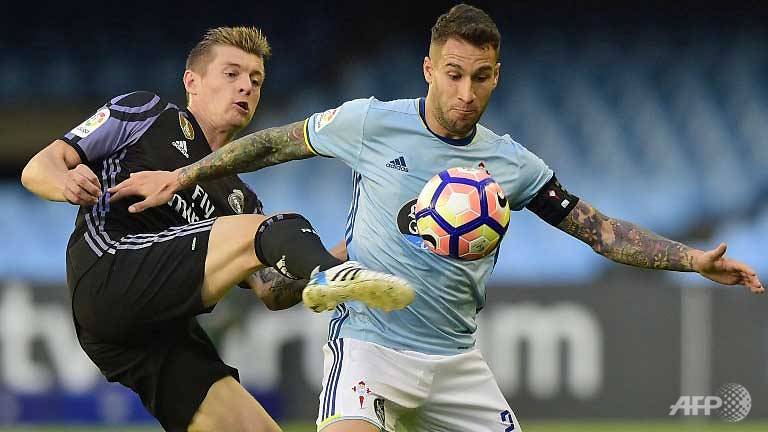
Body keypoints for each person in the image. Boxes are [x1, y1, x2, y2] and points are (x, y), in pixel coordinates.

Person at [107, 5, 765, 432]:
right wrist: (184, 176)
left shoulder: (514, 165)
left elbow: (599, 230)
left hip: (456, 361)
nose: (464, 92)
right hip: (369, 345)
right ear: (428, 69)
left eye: (480, 77)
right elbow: (274, 144)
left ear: (496, 77)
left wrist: (693, 260)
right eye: (452, 74)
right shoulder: (369, 122)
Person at [20, 26, 413, 432]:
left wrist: (351, 246)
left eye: (256, 80)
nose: (246, 87)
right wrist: (65, 182)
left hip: (157, 332)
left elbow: (272, 292)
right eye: (232, 74)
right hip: (108, 272)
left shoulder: (240, 196)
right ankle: (335, 274)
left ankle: (334, 269)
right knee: (274, 227)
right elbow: (38, 168)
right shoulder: (145, 113)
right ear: (192, 82)